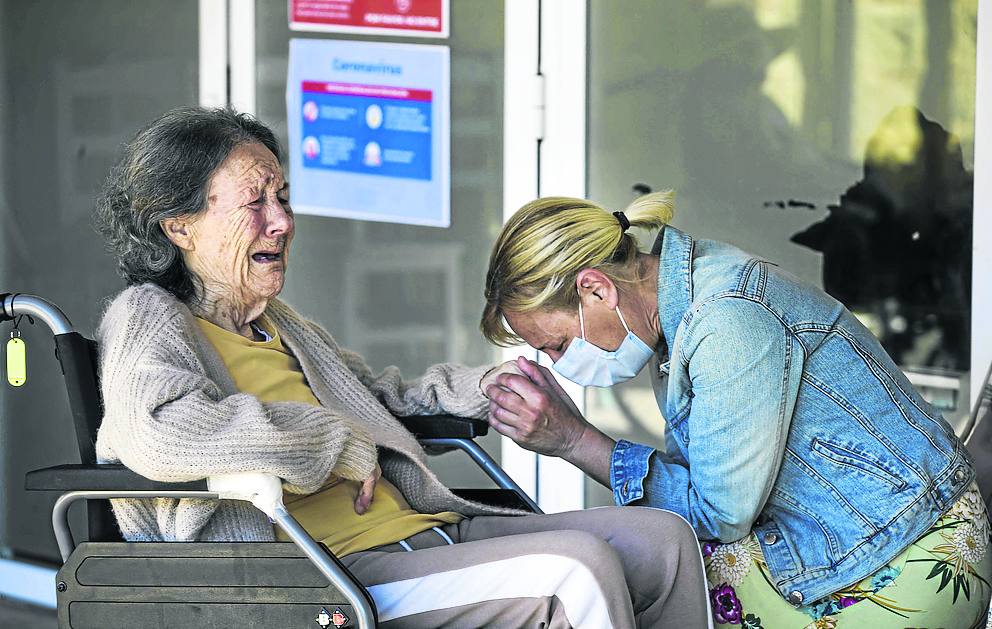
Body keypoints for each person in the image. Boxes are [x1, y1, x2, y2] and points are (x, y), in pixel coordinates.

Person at [92, 106, 710, 628]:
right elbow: (160, 431)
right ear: (180, 227)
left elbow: (378, 401)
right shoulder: (148, 317)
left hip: (422, 531)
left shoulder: (278, 324)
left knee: (663, 540)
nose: (282, 221)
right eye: (254, 202)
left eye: (281, 197)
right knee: (575, 571)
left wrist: (480, 388)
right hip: (326, 575)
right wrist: (333, 444)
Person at [480, 192, 992, 628]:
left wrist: (576, 441)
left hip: (902, 557)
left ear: (596, 288)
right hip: (867, 534)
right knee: (628, 566)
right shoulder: (683, 307)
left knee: (623, 585)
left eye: (557, 344)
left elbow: (718, 515)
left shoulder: (728, 322)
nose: (559, 364)